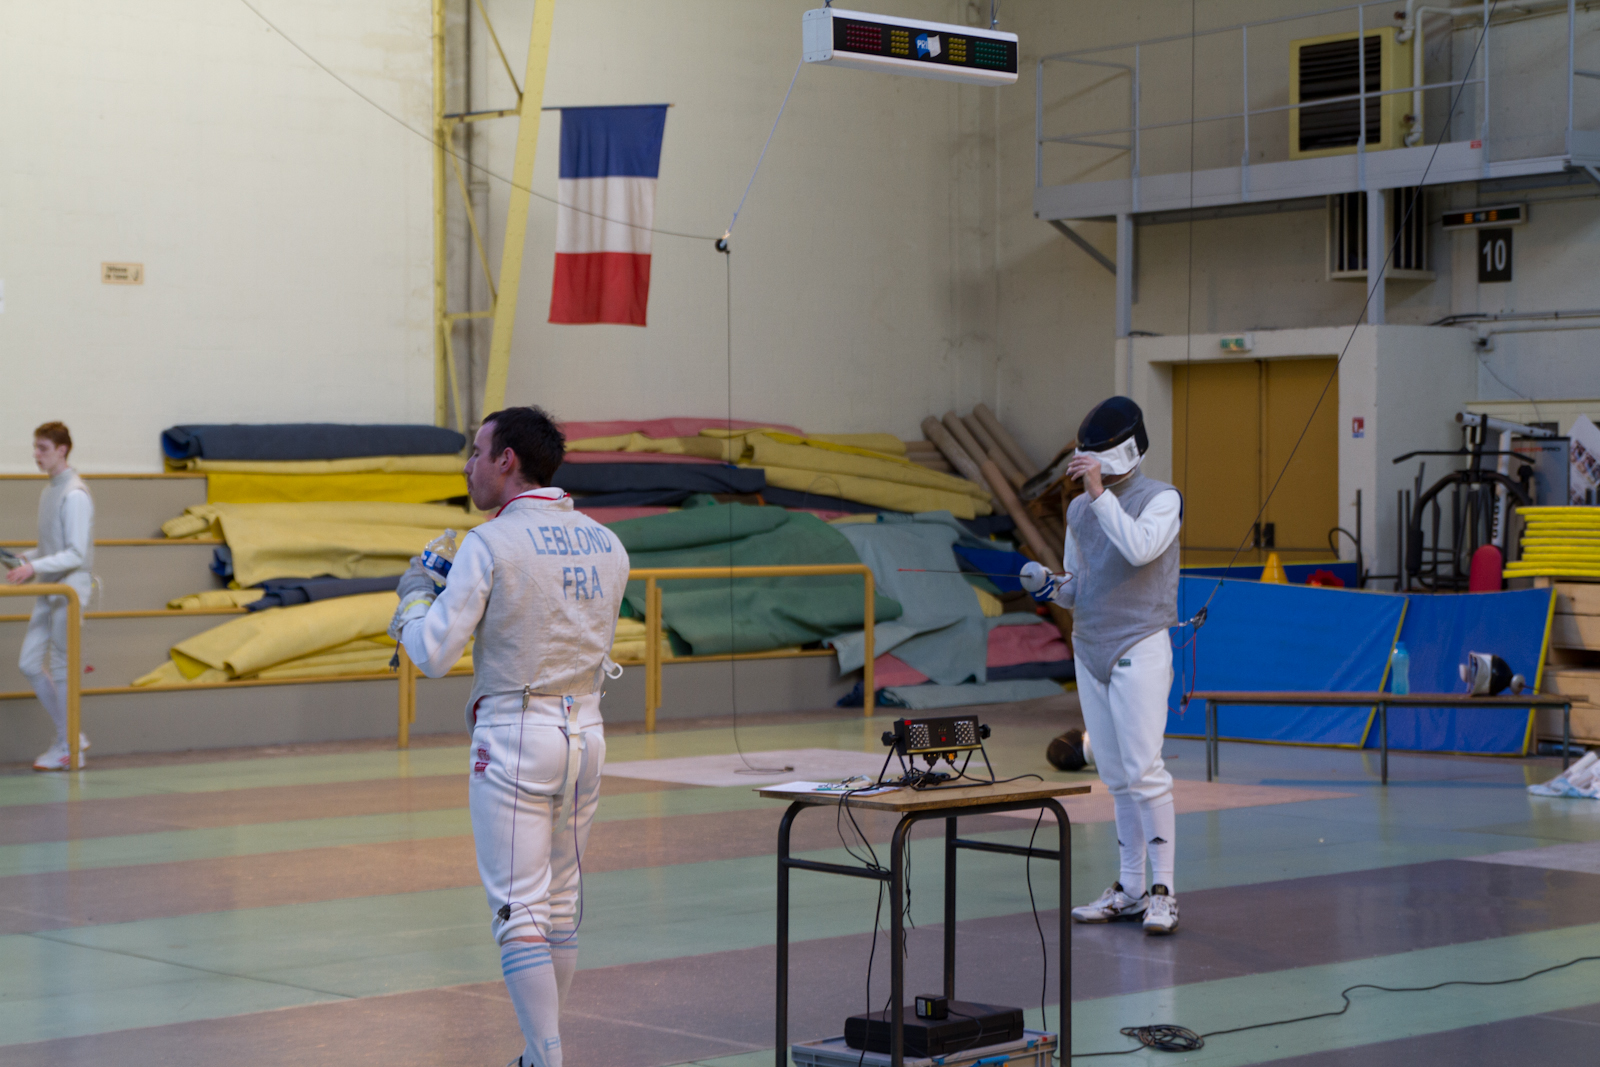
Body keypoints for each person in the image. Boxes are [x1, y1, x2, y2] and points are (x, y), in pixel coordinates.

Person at [388, 406, 629, 1067]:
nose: (468, 465)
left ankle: (545, 1060)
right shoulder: (607, 543)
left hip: (517, 737)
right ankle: (536, 1054)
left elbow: (433, 653)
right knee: (560, 905)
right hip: (587, 734)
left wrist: (414, 597)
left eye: (476, 451)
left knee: (519, 911)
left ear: (507, 460)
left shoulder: (489, 542)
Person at [1020, 396, 1182, 935]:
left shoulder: (1163, 499)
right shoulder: (1079, 511)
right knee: (1115, 777)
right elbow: (1078, 585)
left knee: (1144, 773)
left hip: (1139, 643)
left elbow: (1139, 549)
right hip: (1090, 649)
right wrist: (1049, 586)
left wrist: (1096, 494)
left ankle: (1163, 892)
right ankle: (1130, 889)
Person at [7, 422, 94, 772]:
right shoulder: (49, 492)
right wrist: (26, 559)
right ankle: (72, 736)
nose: (36, 454)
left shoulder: (75, 494)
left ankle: (69, 745)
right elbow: (51, 548)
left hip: (69, 588)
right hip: (50, 585)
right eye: (35, 447)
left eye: (42, 448)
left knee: (61, 668)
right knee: (29, 663)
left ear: (62, 450)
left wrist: (33, 567)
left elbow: (75, 553)